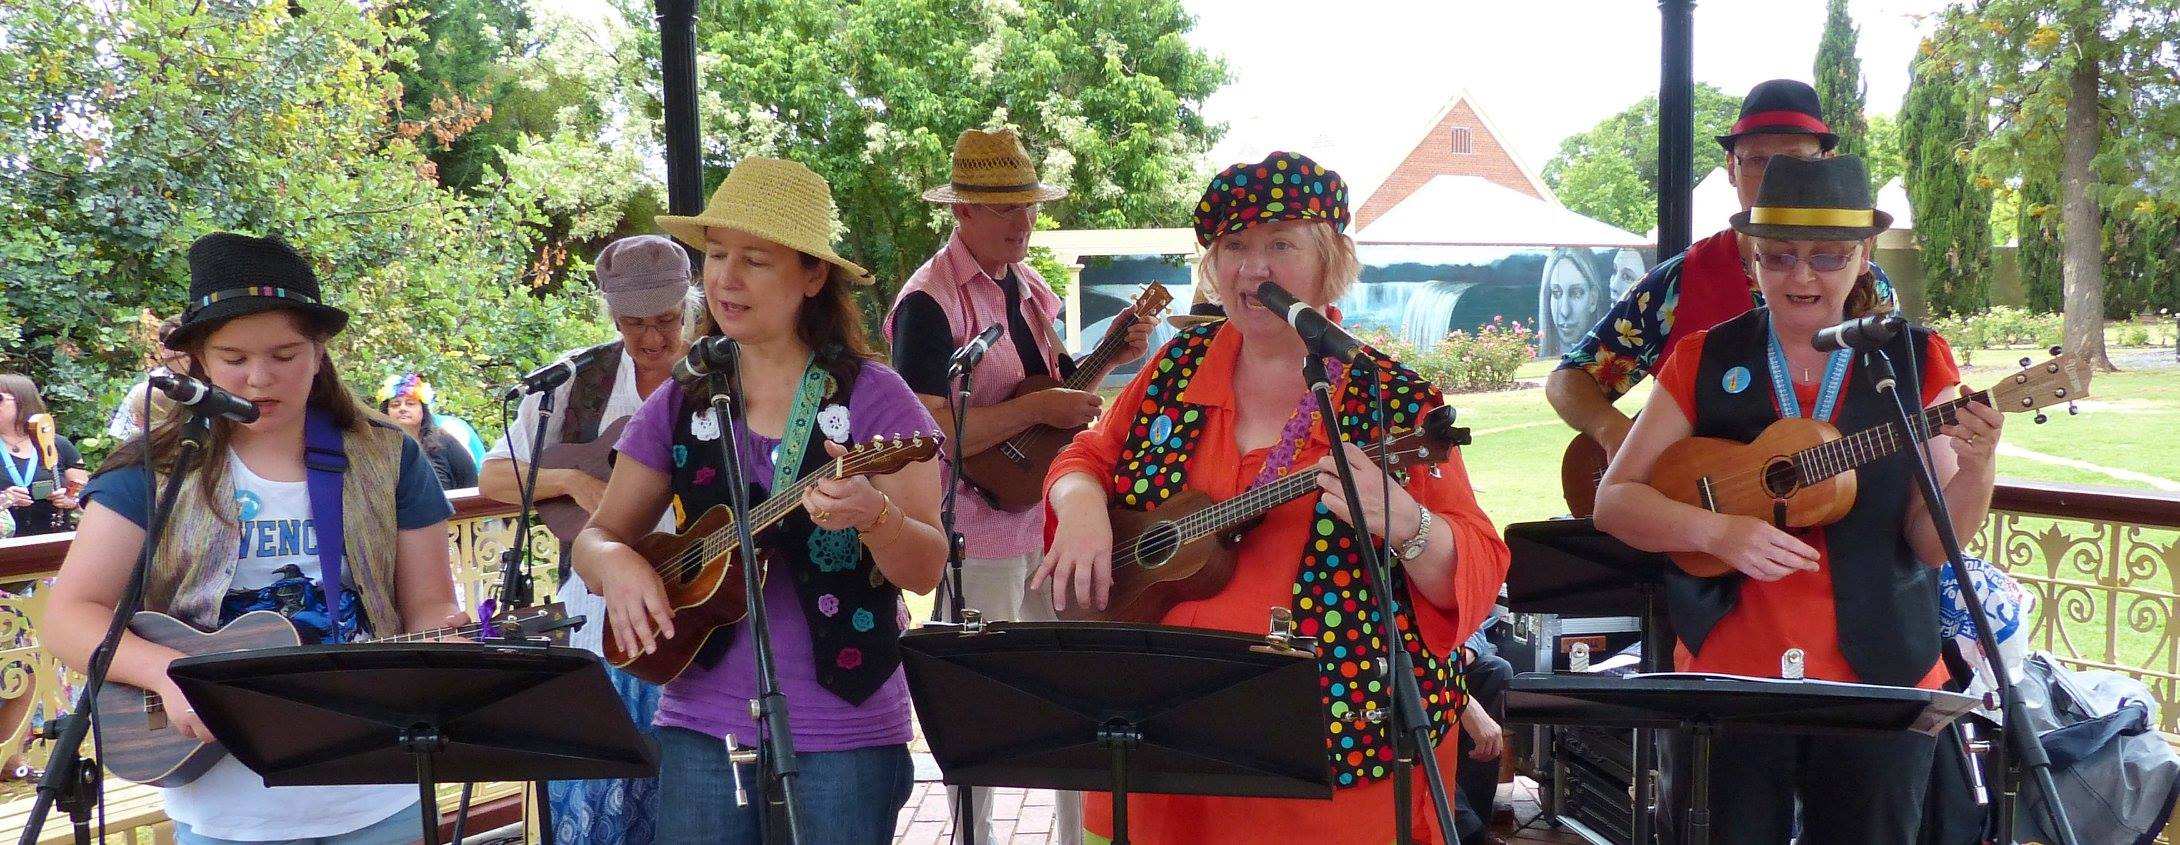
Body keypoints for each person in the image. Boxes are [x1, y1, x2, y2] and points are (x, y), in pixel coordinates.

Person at [1037, 152, 1511, 844]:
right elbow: (1088, 454)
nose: (1252, 269)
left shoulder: (1391, 397)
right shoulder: (1174, 369)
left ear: (1328, 262)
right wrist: (1079, 503)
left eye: (1280, 243)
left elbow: (1475, 565)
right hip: (1162, 743)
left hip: (1328, 763)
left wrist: (1409, 525)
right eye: (1235, 246)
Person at [1593, 155, 1997, 842]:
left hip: (1879, 679)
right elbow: (1615, 501)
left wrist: (1979, 465)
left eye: (1827, 256)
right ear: (1751, 256)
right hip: (1734, 672)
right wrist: (1717, 533)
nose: (1802, 276)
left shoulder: (1916, 360)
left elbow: (1933, 544)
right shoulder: (1703, 357)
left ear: (1865, 255)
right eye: (1779, 256)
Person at [577, 157, 948, 845]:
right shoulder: (683, 396)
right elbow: (595, 539)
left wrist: (875, 515)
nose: (725, 278)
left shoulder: (875, 397)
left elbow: (925, 566)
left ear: (812, 276)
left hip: (846, 733)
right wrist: (618, 565)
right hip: (700, 729)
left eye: (755, 259)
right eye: (715, 255)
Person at [51, 232, 465, 844]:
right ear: (198, 361)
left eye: (285, 354)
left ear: (319, 354)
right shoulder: (156, 468)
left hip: (378, 789)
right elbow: (69, 616)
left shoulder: (387, 458)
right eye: (233, 358)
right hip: (224, 805)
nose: (258, 378)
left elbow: (427, 606)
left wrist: (451, 637)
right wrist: (169, 673)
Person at [884, 127, 1148, 842]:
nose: (1022, 221)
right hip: (976, 535)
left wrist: (1110, 356)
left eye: (1028, 205)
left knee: (1070, 703)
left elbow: (1056, 388)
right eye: (1004, 208)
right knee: (985, 712)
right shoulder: (928, 302)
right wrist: (1037, 407)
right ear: (962, 211)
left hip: (1048, 524)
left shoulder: (1029, 288)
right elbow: (925, 426)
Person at [1549, 79, 1894, 462]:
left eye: (1795, 160)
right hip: (1701, 507)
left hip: (1845, 500)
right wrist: (1616, 435)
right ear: (1731, 168)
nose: (1776, 177)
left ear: (1826, 165)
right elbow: (1569, 379)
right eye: (1760, 161)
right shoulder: (1677, 283)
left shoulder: (1869, 285)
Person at [476, 233, 691, 845]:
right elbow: (494, 475)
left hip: (698, 616)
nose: (652, 339)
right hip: (594, 618)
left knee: (680, 804)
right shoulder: (577, 383)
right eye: (633, 323)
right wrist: (572, 479)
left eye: (667, 321)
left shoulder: (721, 372)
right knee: (592, 805)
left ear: (689, 307)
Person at [1, 373, 87, 537]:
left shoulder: (58, 444)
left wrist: (71, 501)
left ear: (22, 401)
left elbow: (86, 496)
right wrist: (3, 500)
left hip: (53, 544)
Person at [376, 373, 478, 490]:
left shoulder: (445, 442)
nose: (402, 409)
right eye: (395, 405)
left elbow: (471, 485)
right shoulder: (376, 447)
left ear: (423, 410)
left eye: (410, 404)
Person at [106, 313, 188, 442]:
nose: (185, 351)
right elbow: (123, 441)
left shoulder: (213, 380)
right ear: (162, 349)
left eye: (189, 342)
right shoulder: (145, 390)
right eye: (178, 343)